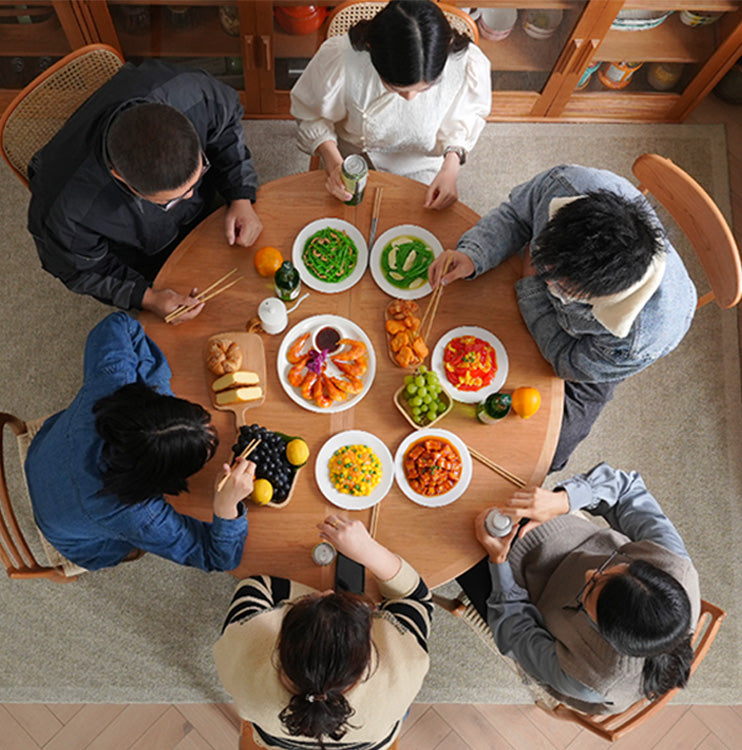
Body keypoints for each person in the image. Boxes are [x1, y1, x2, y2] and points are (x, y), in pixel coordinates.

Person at [428, 164, 697, 471]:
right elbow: (518, 216)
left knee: (546, 454)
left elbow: (568, 363)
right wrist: (474, 253)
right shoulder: (569, 184)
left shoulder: (644, 336)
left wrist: (530, 284)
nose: (547, 280)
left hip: (590, 354)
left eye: (560, 286)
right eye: (545, 261)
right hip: (545, 279)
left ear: (599, 295)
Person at [28, 59, 262, 324]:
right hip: (146, 257)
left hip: (218, 207)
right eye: (170, 200)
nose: (190, 196)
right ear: (119, 176)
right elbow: (83, 270)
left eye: (197, 175)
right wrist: (148, 298)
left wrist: (240, 195)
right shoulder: (65, 211)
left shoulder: (190, 92)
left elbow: (227, 127)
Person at [458, 463, 700, 714]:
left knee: (448, 542)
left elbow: (516, 634)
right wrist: (564, 501)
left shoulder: (590, 679)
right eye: (610, 566)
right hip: (563, 534)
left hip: (523, 600)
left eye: (590, 590)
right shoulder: (673, 566)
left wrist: (499, 561)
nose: (590, 572)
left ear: (600, 629)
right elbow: (626, 489)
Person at [24, 312, 255, 571]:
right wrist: (225, 506)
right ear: (164, 477)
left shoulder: (112, 385)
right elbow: (220, 558)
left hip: (42, 454)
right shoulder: (138, 516)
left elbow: (118, 323)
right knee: (121, 543)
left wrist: (158, 393)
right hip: (72, 538)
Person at [214, 515, 433, 748]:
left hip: (273, 735)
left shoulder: (242, 656)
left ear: (279, 643)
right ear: (368, 653)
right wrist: (368, 550)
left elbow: (255, 586)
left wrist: (308, 599)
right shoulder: (405, 666)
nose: (329, 591)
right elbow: (414, 595)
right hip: (372, 734)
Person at [290, 0, 491, 210]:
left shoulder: (465, 65)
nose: (410, 98)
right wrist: (333, 163)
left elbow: (466, 120)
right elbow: (310, 114)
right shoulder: (342, 60)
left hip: (422, 167)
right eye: (396, 88)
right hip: (352, 162)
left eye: (424, 89)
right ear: (372, 51)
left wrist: (450, 169)